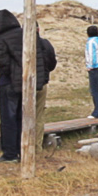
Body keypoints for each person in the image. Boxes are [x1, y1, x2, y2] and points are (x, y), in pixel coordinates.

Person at [0, 10, 57, 163]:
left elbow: (3, 64)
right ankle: (24, 150)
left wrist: (12, 75)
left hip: (9, 84)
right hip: (29, 83)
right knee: (24, 118)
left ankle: (10, 154)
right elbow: (43, 58)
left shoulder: (1, 38)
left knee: (8, 119)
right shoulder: (28, 34)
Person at [36, 24, 57, 154]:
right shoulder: (45, 43)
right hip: (42, 83)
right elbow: (52, 63)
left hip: (26, 85)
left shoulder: (21, 44)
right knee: (38, 116)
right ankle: (36, 147)